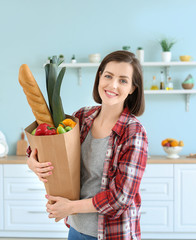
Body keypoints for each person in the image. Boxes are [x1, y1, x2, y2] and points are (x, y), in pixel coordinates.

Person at [27, 50, 148, 240]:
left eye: (123, 80)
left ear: (133, 88)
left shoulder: (134, 132)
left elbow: (121, 198)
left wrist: (70, 207)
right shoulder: (83, 117)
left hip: (112, 234)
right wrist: (32, 161)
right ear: (99, 76)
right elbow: (51, 144)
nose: (113, 85)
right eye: (108, 76)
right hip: (76, 230)